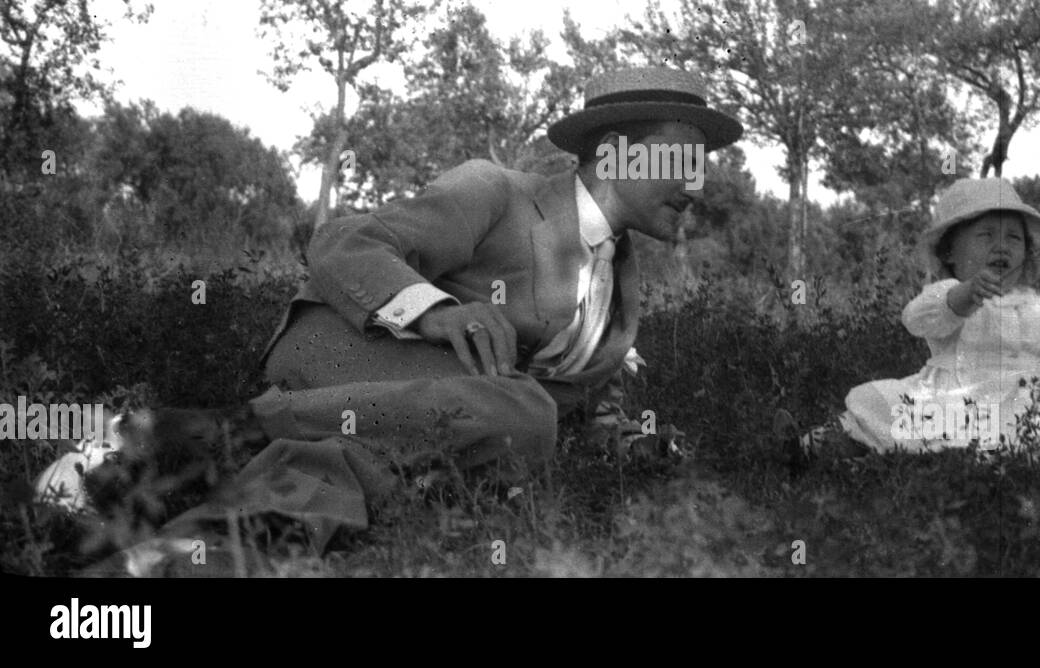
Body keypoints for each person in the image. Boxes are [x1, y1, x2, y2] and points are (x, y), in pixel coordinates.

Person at [36, 66, 743, 558]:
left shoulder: (622, 288)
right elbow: (345, 243)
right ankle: (170, 437)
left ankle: (156, 545)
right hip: (339, 358)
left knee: (352, 478)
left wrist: (644, 450)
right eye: (681, 158)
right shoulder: (495, 191)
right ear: (616, 154)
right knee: (522, 413)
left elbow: (578, 410)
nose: (697, 183)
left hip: (423, 430)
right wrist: (435, 311)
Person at [780, 178, 1040, 469]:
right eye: (985, 236)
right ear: (950, 253)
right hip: (948, 399)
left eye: (1013, 238)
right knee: (880, 404)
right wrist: (965, 296)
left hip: (1023, 402)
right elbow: (917, 319)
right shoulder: (950, 293)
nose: (1001, 247)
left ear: (1027, 253)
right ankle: (808, 449)